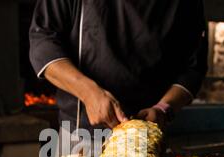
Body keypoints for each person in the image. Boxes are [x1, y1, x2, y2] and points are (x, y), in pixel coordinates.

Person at [29, 0, 208, 133]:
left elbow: (193, 67)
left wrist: (163, 108)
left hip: (147, 136)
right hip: (81, 137)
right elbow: (42, 42)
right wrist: (88, 92)